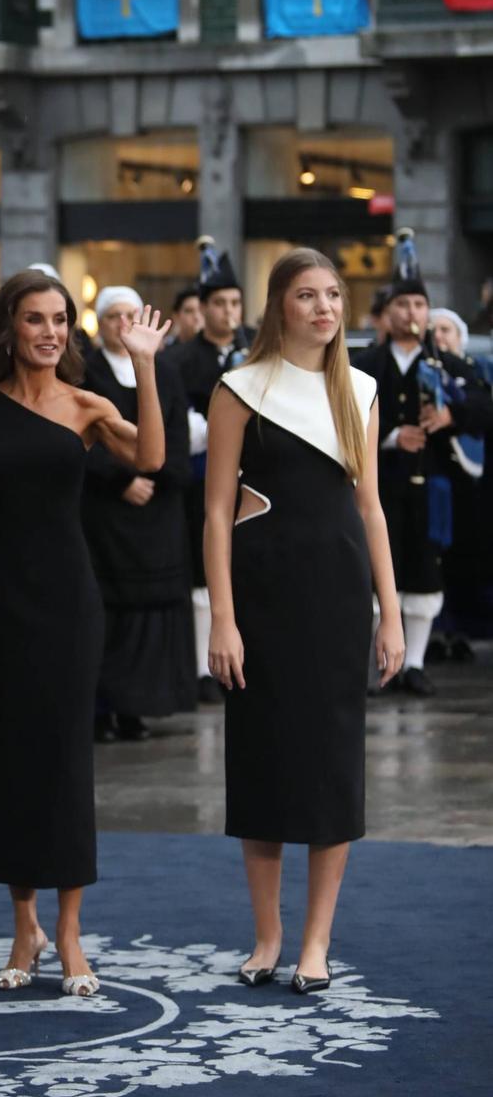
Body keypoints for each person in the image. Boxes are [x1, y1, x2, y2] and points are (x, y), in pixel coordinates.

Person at [0, 275, 167, 994]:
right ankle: (22, 927)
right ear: (7, 326)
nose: (48, 332)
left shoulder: (85, 404)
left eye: (60, 320)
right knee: (8, 764)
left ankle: (68, 933)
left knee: (67, 763)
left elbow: (152, 459)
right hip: (0, 602)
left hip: (70, 601)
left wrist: (145, 366)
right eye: (34, 319)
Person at [205, 249, 404, 993]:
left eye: (332, 295)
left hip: (336, 597)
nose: (323, 308)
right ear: (277, 306)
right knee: (260, 760)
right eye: (305, 295)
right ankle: (267, 936)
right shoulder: (238, 388)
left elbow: (370, 508)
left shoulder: (360, 388)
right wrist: (220, 617)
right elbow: (215, 511)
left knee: (329, 768)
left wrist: (390, 615)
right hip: (259, 595)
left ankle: (316, 942)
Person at [355, 236, 493, 695]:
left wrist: (452, 415)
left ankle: (412, 663)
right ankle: (379, 664)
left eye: (419, 304)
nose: (411, 313)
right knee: (379, 570)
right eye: (403, 304)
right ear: (387, 312)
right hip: (379, 485)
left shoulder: (448, 363)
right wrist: (392, 436)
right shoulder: (365, 363)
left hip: (432, 486)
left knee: (424, 569)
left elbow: (484, 404)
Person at [82, 286, 196, 743]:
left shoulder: (165, 373)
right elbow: (81, 436)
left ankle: (137, 709)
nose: (122, 324)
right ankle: (101, 710)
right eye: (113, 316)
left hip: (158, 516)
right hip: (106, 518)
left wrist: (156, 476)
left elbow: (177, 435)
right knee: (108, 617)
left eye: (131, 315)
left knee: (149, 621)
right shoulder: (85, 372)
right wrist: (121, 479)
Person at [174, 241, 249, 701]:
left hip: (255, 480)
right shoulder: (180, 360)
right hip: (202, 477)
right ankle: (207, 666)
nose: (229, 312)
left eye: (235, 303)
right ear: (202, 309)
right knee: (205, 570)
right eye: (219, 303)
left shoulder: (258, 348)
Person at [425, 306, 493, 658]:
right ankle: (436, 633)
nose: (439, 336)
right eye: (433, 330)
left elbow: (484, 410)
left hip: (472, 494)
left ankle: (462, 632)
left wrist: (454, 414)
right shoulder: (419, 373)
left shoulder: (475, 373)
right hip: (431, 489)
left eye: (446, 329)